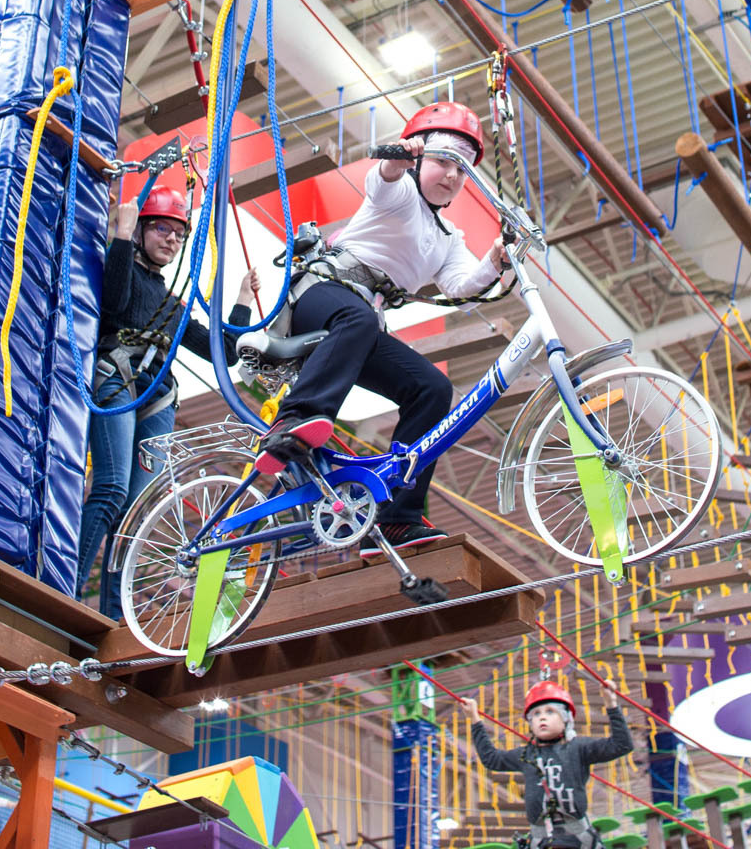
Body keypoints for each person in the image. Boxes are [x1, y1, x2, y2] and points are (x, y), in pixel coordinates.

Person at [254, 100, 512, 556]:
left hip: (359, 324)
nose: (452, 175)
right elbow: (383, 180)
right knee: (356, 318)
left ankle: (398, 517)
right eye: (443, 161)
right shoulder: (401, 193)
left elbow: (460, 286)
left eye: (462, 169)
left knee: (432, 388)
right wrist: (399, 158)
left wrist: (494, 259)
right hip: (322, 295)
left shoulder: (448, 237)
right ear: (420, 158)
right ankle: (293, 419)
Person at [80, 182, 256, 620]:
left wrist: (242, 300)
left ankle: (113, 617)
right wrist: (121, 236)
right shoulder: (121, 268)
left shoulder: (172, 304)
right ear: (141, 229)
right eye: (162, 229)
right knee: (111, 488)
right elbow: (113, 303)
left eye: (178, 235)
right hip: (117, 377)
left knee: (137, 512)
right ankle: (64, 586)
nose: (172, 240)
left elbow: (225, 353)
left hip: (158, 396)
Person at [467, 678, 633, 849]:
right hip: (542, 841)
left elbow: (622, 745)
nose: (542, 718)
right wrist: (474, 719)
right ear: (530, 723)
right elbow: (492, 759)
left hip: (578, 839)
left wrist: (611, 704)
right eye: (536, 714)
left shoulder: (579, 748)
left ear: (566, 718)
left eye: (550, 711)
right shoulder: (526, 754)